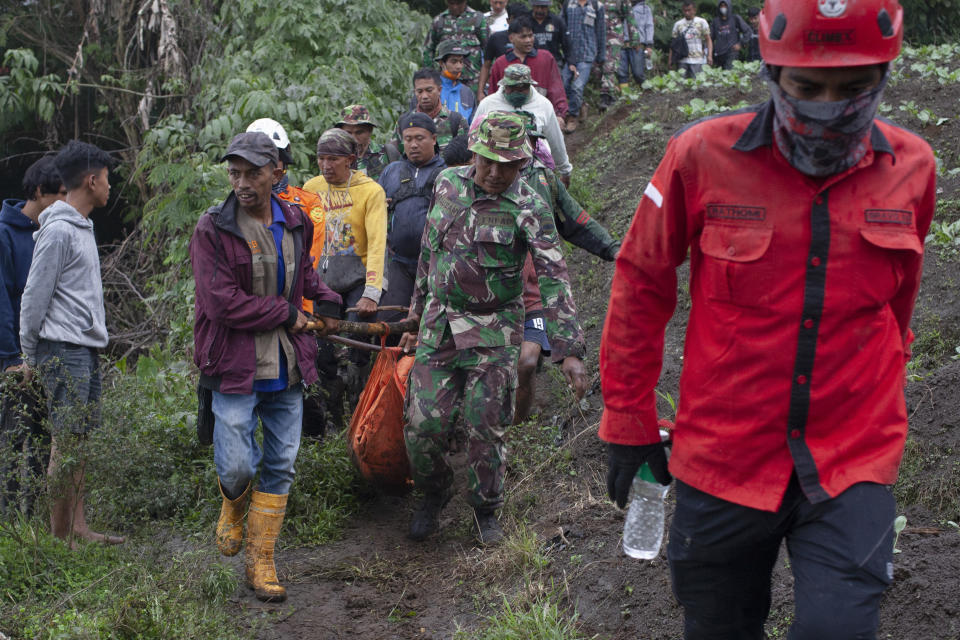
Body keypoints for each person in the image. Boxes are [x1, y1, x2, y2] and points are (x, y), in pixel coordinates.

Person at [600, 1, 935, 638]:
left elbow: (899, 307)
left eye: (855, 89)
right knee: (718, 624)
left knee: (838, 628)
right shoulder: (700, 157)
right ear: (772, 73)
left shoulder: (912, 168)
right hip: (724, 455)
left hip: (851, 455)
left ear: (884, 79)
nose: (829, 106)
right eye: (807, 88)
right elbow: (641, 280)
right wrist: (628, 420)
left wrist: (886, 387)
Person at [399, 112, 588, 545]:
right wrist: (414, 314)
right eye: (488, 162)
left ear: (523, 163)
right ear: (475, 153)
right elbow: (429, 253)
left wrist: (568, 349)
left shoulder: (529, 205)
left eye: (508, 164)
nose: (496, 172)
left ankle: (486, 509)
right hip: (440, 326)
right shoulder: (446, 183)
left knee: (485, 424)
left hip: (494, 330)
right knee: (423, 425)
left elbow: (555, 276)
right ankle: (433, 493)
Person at [191, 132, 341, 602]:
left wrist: (330, 299)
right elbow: (220, 302)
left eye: (252, 173)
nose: (241, 183)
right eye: (234, 173)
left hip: (286, 363)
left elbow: (301, 275)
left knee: (281, 462)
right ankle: (232, 506)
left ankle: (262, 560)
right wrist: (285, 312)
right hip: (234, 363)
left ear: (277, 172)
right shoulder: (212, 228)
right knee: (237, 465)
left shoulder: (295, 219)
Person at [19, 141, 124, 548]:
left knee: (78, 439)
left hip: (83, 348)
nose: (110, 186)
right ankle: (58, 539)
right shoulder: (59, 230)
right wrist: (29, 355)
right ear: (91, 179)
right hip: (62, 348)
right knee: (64, 441)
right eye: (108, 178)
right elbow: (33, 297)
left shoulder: (81, 225)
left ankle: (78, 528)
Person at [513, 112, 619, 423]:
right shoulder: (466, 185)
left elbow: (577, 220)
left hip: (534, 287)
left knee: (527, 362)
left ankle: (517, 423)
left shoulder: (543, 180)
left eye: (527, 141)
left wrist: (613, 249)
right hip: (487, 300)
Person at [303, 129, 388, 426]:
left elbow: (378, 244)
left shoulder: (370, 191)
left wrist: (372, 291)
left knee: (357, 350)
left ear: (350, 160)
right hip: (323, 282)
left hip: (358, 282)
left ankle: (361, 413)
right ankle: (333, 416)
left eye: (333, 159)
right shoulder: (312, 187)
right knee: (323, 351)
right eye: (321, 158)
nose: (326, 165)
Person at [0, 156, 64, 515]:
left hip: (45, 354)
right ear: (39, 192)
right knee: (13, 437)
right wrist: (11, 358)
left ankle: (32, 517)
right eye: (59, 195)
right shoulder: (6, 234)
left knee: (41, 437)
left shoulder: (51, 231)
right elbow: (4, 300)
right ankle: (8, 524)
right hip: (15, 358)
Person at [376, 113, 447, 334]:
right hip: (398, 261)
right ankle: (390, 367)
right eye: (408, 139)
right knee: (390, 321)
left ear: (434, 139)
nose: (413, 144)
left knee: (432, 322)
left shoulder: (449, 172)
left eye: (420, 138)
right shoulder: (392, 171)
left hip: (437, 262)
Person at [473, 64, 573, 186]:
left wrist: (565, 171)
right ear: (504, 86)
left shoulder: (543, 105)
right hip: (498, 166)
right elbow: (474, 137)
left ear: (530, 85)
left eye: (522, 88)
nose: (517, 92)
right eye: (512, 88)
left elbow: (555, 139)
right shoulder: (488, 104)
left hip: (532, 169)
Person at [488, 15, 569, 122]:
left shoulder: (546, 58)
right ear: (511, 38)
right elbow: (493, 95)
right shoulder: (500, 63)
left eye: (530, 36)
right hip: (508, 121)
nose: (528, 40)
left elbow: (556, 88)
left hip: (541, 117)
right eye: (523, 37)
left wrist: (559, 114)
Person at [393, 69, 468, 156]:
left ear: (439, 90)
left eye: (429, 90)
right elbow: (395, 156)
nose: (424, 96)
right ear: (415, 92)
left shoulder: (456, 120)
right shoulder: (404, 121)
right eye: (419, 91)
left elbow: (465, 159)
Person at [423, 0, 488, 91]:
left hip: (473, 83)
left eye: (459, 3)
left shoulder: (478, 19)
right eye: (451, 3)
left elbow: (489, 52)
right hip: (445, 83)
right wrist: (430, 79)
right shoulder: (439, 21)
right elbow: (428, 50)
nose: (455, 7)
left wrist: (484, 85)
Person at [562, 0, 605, 132]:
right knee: (563, 84)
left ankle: (572, 117)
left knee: (577, 86)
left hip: (587, 54)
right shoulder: (568, 4)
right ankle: (580, 105)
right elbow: (561, 27)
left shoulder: (597, 6)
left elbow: (601, 31)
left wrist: (601, 55)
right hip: (570, 55)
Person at [477, 2, 531, 102]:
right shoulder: (496, 38)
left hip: (527, 91)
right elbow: (486, 66)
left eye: (522, 20)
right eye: (516, 20)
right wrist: (480, 92)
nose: (519, 25)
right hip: (502, 91)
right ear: (508, 20)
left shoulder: (530, 40)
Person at [334, 104, 398, 182]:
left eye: (359, 132)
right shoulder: (333, 158)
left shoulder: (387, 153)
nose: (353, 138)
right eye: (348, 133)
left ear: (370, 131)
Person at [598, 0, 639, 108]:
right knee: (597, 69)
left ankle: (606, 97)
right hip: (597, 38)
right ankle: (610, 94)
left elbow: (630, 17)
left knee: (609, 67)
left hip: (614, 38)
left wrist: (634, 39)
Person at [434, 40, 477, 123]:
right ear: (441, 63)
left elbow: (473, 125)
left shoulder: (467, 93)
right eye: (454, 62)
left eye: (461, 61)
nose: (459, 66)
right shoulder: (431, 89)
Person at [670, 1, 712, 78]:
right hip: (682, 59)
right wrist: (670, 60)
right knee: (681, 83)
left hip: (697, 59)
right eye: (685, 10)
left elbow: (708, 39)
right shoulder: (678, 24)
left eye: (689, 10)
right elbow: (673, 44)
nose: (687, 13)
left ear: (694, 10)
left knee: (697, 82)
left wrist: (709, 55)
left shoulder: (702, 22)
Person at [711, 0, 752, 70]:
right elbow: (710, 38)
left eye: (725, 5)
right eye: (721, 6)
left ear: (729, 6)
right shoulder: (715, 21)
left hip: (732, 53)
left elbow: (748, 31)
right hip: (719, 54)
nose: (723, 8)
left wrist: (740, 44)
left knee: (729, 75)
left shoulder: (735, 18)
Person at [531, 0, 572, 71]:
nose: (539, 10)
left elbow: (566, 44)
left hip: (553, 62)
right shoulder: (524, 21)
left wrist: (571, 63)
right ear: (533, 6)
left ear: (548, 7)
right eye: (537, 7)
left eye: (543, 7)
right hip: (530, 61)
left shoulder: (557, 21)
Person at [624, 0, 655, 85]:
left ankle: (647, 90)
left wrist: (649, 45)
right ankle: (624, 95)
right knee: (622, 73)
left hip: (638, 44)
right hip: (622, 44)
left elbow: (649, 26)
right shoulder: (622, 6)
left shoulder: (645, 9)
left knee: (638, 73)